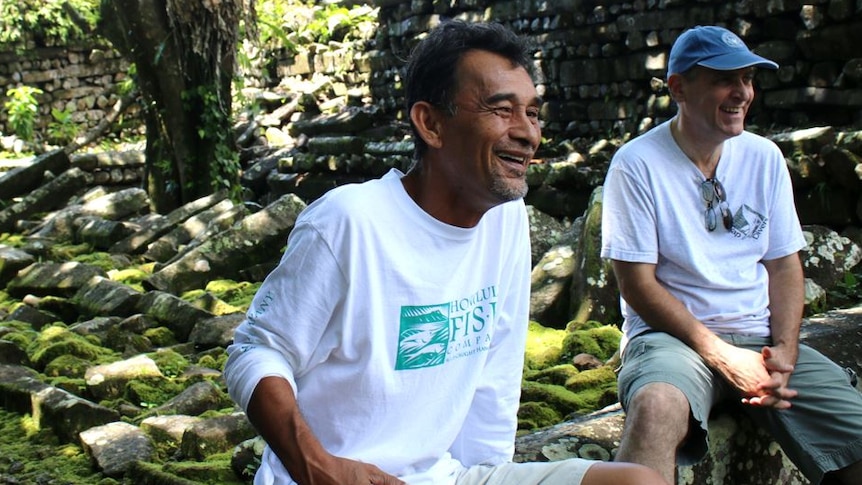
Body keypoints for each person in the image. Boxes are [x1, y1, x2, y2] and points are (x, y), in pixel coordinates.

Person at [224, 19, 667, 485]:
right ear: (431, 124)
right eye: (502, 110)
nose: (527, 134)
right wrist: (316, 465)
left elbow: (496, 374)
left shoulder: (507, 217)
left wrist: (492, 471)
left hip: (446, 477)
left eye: (532, 113)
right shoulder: (349, 222)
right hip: (336, 477)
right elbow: (255, 353)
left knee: (637, 481)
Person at [600, 24, 862, 484]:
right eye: (725, 79)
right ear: (678, 87)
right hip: (670, 340)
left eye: (748, 80)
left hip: (759, 338)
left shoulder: (764, 157)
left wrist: (784, 350)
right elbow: (637, 284)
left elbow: (783, 264)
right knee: (656, 408)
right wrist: (722, 356)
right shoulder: (636, 164)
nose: (741, 92)